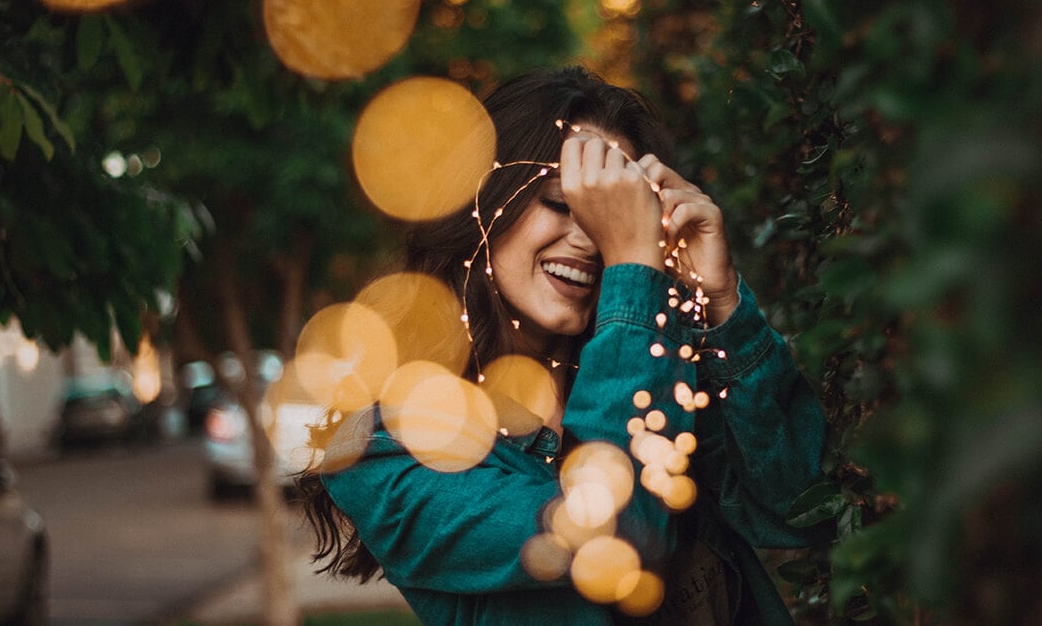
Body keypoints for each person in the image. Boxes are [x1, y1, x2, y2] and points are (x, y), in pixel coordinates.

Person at [299, 67, 830, 625]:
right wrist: (632, 266)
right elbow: (616, 531)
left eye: (616, 215)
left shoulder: (660, 368)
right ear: (480, 205)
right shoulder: (389, 445)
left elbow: (802, 510)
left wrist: (721, 302)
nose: (591, 239)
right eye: (559, 202)